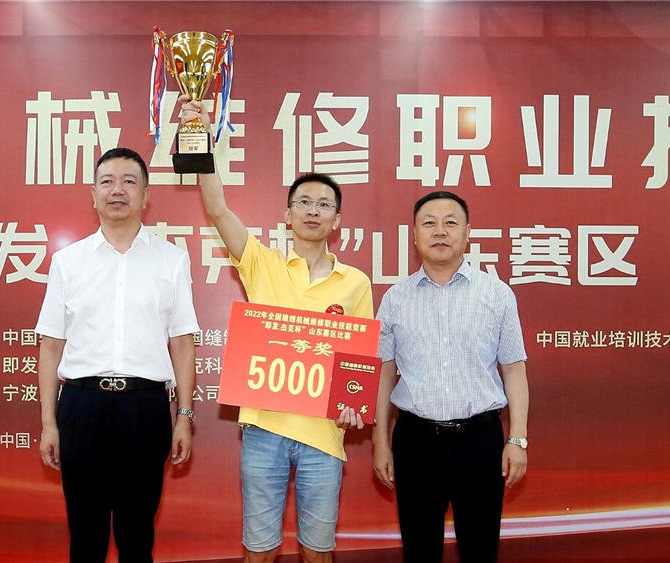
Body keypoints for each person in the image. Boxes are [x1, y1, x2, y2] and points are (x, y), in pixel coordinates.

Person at [178, 94, 373, 563]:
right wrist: (199, 134)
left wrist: (354, 404)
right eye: (303, 202)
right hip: (264, 429)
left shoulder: (356, 283)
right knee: (259, 551)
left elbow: (361, 362)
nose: (313, 210)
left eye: (323, 204)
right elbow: (218, 209)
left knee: (317, 552)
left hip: (324, 436)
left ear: (337, 220)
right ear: (287, 215)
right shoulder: (261, 263)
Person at [35, 147, 199, 563]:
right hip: (81, 406)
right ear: (93, 195)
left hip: (145, 409)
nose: (118, 190)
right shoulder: (68, 262)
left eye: (129, 181)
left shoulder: (172, 260)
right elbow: (51, 345)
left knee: (137, 535)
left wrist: (184, 415)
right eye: (107, 181)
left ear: (146, 195)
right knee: (85, 535)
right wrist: (49, 423)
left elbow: (182, 342)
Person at [372, 191, 529, 563]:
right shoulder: (395, 298)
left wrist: (517, 439)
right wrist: (380, 442)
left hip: (480, 441)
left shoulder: (497, 294)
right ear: (414, 235)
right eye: (429, 223)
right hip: (415, 441)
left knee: (480, 550)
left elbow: (514, 370)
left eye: (450, 223)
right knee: (419, 551)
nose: (439, 231)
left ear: (468, 232)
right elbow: (384, 373)